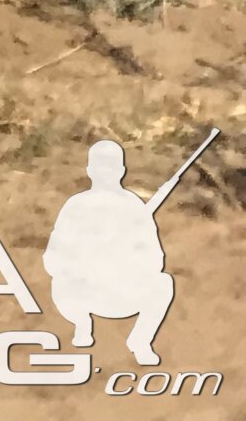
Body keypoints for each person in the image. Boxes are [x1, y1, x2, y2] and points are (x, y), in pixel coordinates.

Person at [43, 140, 180, 367]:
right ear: (89, 170)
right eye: (100, 165)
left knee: (163, 283)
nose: (105, 171)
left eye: (111, 166)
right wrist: (83, 262)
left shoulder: (135, 207)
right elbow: (53, 256)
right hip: (83, 292)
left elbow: (155, 259)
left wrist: (125, 259)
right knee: (60, 282)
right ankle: (82, 324)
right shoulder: (75, 206)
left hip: (123, 291)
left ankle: (141, 341)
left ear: (121, 171)